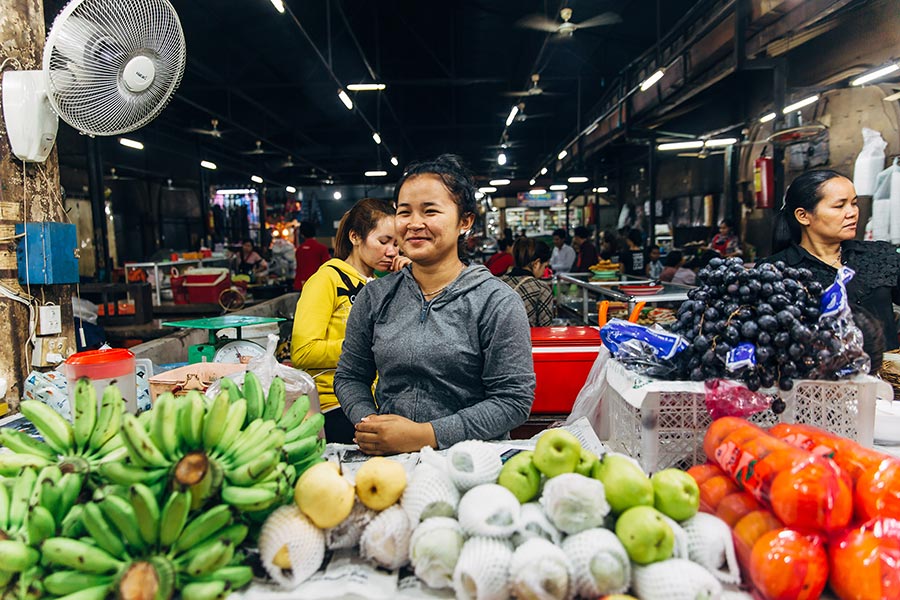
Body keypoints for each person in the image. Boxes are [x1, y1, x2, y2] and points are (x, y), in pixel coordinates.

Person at [334, 154, 535, 455]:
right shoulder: (375, 297)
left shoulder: (496, 301)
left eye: (430, 211)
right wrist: (372, 424)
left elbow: (512, 400)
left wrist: (425, 435)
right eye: (404, 212)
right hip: (390, 461)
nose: (414, 224)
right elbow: (350, 376)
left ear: (464, 221)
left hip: (472, 462)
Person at [291, 198, 400, 443]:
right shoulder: (327, 279)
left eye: (396, 244)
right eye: (383, 241)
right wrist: (368, 348)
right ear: (355, 237)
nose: (392, 251)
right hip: (332, 404)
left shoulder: (381, 285)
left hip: (375, 402)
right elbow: (303, 352)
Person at [764, 168, 900, 350]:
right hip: (819, 377)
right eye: (839, 206)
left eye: (854, 203)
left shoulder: (880, 255)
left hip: (886, 375)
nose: (852, 213)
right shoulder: (777, 271)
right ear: (803, 216)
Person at [500, 238, 554, 327]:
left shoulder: (498, 282)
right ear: (536, 263)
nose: (545, 270)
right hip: (526, 340)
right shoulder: (541, 289)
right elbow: (546, 329)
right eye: (545, 266)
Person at [293, 221, 331, 291]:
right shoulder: (322, 248)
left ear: (302, 234)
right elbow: (327, 267)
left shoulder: (299, 250)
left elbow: (298, 268)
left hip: (301, 285)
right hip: (317, 285)